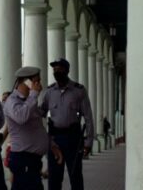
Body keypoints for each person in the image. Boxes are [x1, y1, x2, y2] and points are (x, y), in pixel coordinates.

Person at [3, 66, 63, 190]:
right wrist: (34, 94)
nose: (39, 85)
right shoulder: (12, 101)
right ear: (27, 82)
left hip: (33, 160)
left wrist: (51, 145)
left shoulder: (29, 102)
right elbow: (21, 117)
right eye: (37, 81)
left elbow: (37, 128)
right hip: (23, 158)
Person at [41, 58, 95, 190]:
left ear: (67, 70)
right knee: (54, 178)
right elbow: (40, 115)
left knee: (75, 176)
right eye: (54, 69)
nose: (56, 71)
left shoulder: (79, 91)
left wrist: (88, 142)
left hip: (73, 139)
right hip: (55, 140)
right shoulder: (49, 92)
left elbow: (88, 117)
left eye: (60, 68)